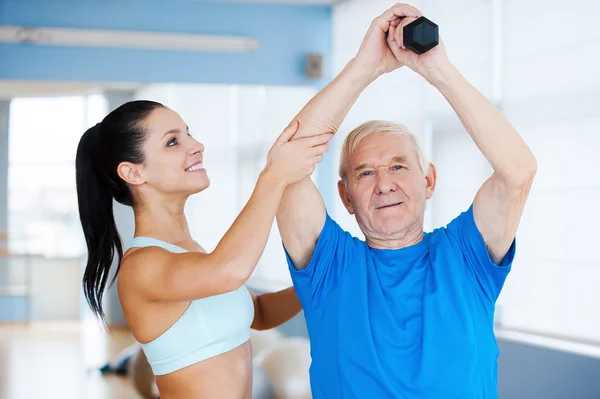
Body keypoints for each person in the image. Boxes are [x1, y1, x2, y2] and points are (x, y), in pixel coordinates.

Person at [276, 3, 537, 398]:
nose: (384, 185)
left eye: (399, 167)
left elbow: (518, 171)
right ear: (345, 195)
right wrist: (366, 67)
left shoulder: (465, 255)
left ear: (428, 180)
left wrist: (438, 70)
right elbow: (287, 163)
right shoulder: (330, 266)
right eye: (365, 172)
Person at [75, 100, 332, 398]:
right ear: (134, 173)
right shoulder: (142, 265)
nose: (197, 145)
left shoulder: (194, 253)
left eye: (188, 134)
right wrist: (273, 176)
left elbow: (258, 313)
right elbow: (229, 270)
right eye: (173, 141)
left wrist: (321, 282)